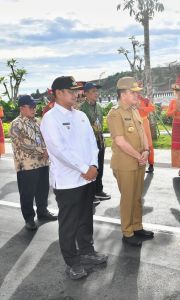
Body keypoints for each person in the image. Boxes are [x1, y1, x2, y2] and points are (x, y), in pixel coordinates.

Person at [40, 76, 108, 280]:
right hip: (68, 181)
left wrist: (94, 165)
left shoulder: (81, 116)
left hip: (87, 178)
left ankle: (87, 251)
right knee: (69, 223)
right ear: (58, 93)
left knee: (85, 218)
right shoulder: (50, 119)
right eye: (71, 91)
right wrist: (83, 167)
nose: (76, 94)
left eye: (76, 91)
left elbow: (92, 143)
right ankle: (72, 262)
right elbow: (59, 150)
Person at [107, 77, 154, 247]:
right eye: (134, 93)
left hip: (138, 161)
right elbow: (120, 141)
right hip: (125, 163)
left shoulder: (134, 110)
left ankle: (137, 226)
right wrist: (138, 155)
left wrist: (146, 151)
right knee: (128, 198)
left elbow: (142, 134)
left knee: (137, 197)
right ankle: (127, 232)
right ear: (124, 94)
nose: (137, 96)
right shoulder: (115, 113)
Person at [9, 95, 57, 230]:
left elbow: (45, 138)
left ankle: (42, 212)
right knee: (27, 193)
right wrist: (43, 151)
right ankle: (29, 218)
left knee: (43, 189)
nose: (34, 109)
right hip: (27, 165)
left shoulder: (36, 121)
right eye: (31, 107)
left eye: (35, 106)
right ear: (22, 108)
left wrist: (48, 149)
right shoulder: (16, 124)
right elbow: (21, 145)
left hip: (42, 162)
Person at [79, 82, 111, 203]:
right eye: (93, 91)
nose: (96, 93)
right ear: (85, 93)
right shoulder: (82, 109)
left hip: (100, 141)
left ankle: (98, 190)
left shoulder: (98, 107)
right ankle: (90, 194)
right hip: (88, 144)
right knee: (91, 167)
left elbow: (100, 125)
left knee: (100, 167)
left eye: (97, 91)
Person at [137, 94, 156, 174]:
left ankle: (151, 164)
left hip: (144, 123)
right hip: (134, 123)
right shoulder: (130, 99)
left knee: (148, 144)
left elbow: (152, 108)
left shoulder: (145, 100)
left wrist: (141, 108)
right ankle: (139, 164)